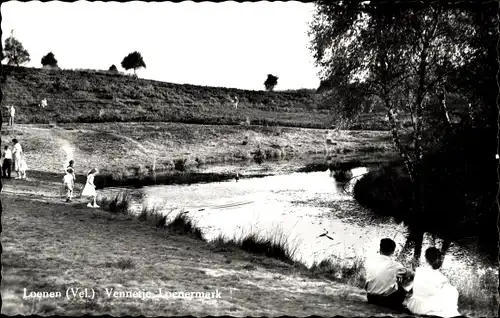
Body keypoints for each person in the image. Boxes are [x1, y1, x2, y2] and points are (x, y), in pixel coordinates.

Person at [407, 247, 462, 318]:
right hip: (425, 307)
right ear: (439, 260)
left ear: (426, 259)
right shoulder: (441, 277)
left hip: (414, 305)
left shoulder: (418, 271)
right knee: (452, 291)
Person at [364, 238, 413, 311]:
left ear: (380, 249)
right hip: (386, 301)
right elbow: (412, 274)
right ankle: (397, 303)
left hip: (370, 298)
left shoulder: (369, 261)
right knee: (412, 278)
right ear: (393, 251)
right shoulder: (395, 265)